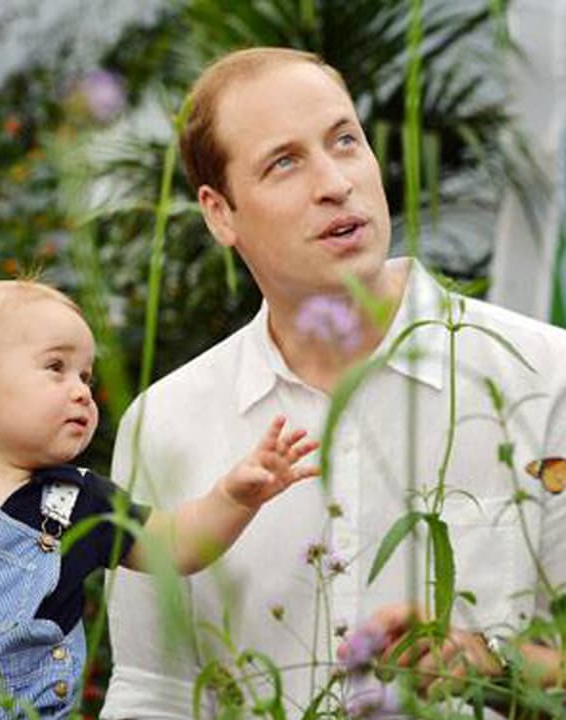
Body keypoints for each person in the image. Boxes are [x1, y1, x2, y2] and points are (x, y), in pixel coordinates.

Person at [99, 47, 566, 719]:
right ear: (220, 213)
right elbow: (155, 690)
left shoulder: (542, 375)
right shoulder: (166, 422)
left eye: (345, 141)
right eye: (284, 162)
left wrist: (496, 666)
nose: (335, 182)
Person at [0, 279, 320, 718]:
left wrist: (234, 496)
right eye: (56, 368)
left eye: (86, 377)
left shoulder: (83, 499)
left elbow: (177, 546)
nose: (83, 392)